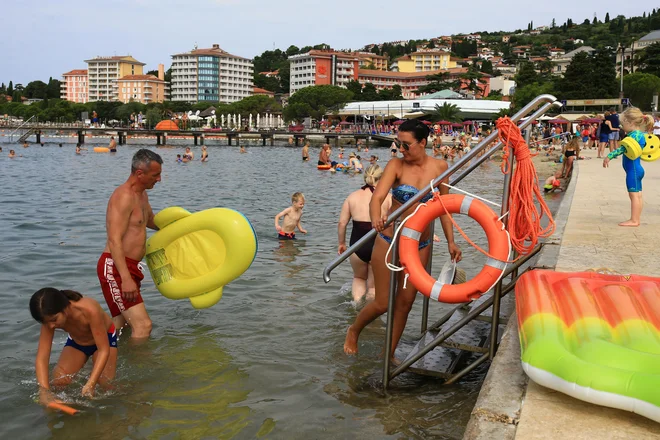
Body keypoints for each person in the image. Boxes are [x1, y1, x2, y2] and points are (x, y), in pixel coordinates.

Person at [344, 119, 462, 356]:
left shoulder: (440, 168)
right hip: (390, 239)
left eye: (406, 145)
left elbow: (444, 208)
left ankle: (388, 353)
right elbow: (377, 198)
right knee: (382, 302)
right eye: (398, 143)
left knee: (406, 302)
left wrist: (451, 241)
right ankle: (354, 330)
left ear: (423, 142)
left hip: (420, 243)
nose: (401, 149)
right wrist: (376, 218)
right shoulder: (396, 165)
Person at [97, 149, 162, 340]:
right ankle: (141, 368)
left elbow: (151, 221)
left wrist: (186, 224)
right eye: (155, 175)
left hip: (129, 267)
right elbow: (114, 239)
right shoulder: (123, 196)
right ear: (140, 173)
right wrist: (125, 278)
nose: (159, 180)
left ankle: (98, 358)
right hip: (116, 267)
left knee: (121, 326)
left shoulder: (142, 195)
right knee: (143, 326)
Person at [30, 288, 117, 405]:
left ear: (65, 308)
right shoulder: (49, 319)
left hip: (104, 339)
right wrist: (44, 391)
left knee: (105, 385)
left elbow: (103, 350)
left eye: (54, 320)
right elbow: (42, 358)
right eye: (46, 323)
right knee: (58, 382)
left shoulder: (89, 310)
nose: (51, 326)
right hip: (78, 342)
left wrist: (90, 384)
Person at [338, 165, 392, 303]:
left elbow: (342, 223)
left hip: (357, 244)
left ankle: (356, 305)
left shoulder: (352, 197)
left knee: (359, 278)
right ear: (382, 179)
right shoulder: (387, 198)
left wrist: (342, 243)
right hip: (378, 244)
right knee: (373, 287)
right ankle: (370, 319)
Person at [603, 108, 654, 227]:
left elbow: (623, 149)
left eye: (623, 124)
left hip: (633, 170)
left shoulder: (634, 136)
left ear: (630, 123)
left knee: (634, 195)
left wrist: (609, 156)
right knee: (638, 195)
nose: (621, 126)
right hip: (636, 169)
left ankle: (634, 220)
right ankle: (636, 219)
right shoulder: (639, 134)